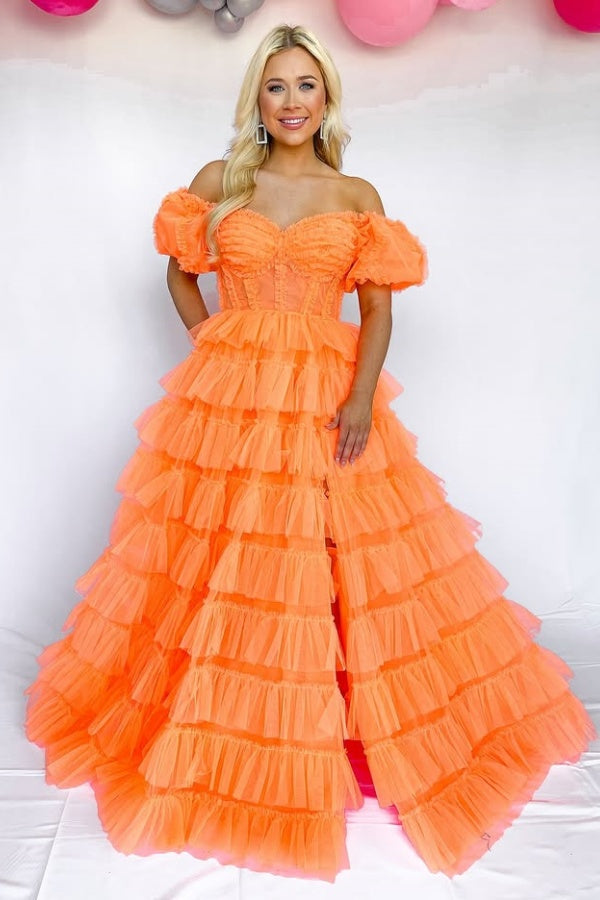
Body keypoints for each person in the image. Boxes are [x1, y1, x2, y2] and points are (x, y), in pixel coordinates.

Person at [24, 23, 596, 883]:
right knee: (224, 555)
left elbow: (379, 309)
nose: (292, 102)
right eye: (276, 86)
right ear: (256, 99)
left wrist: (361, 396)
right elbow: (180, 270)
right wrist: (213, 346)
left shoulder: (354, 193)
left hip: (327, 395)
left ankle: (353, 727)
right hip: (234, 398)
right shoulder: (220, 182)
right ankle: (220, 727)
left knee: (339, 557)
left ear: (327, 97)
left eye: (306, 85)